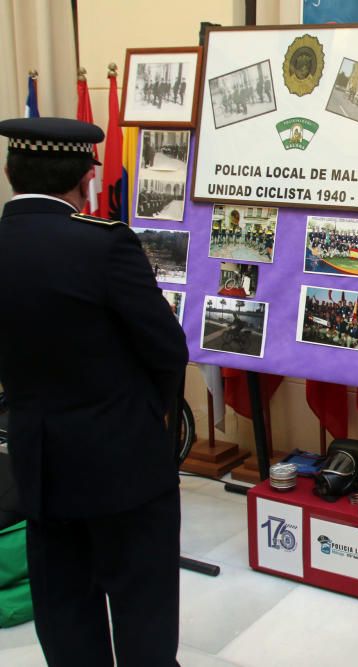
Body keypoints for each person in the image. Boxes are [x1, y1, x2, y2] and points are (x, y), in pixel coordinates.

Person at [0, 117, 188, 665]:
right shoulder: (104, 245)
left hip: (39, 461)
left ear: (11, 171)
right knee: (142, 612)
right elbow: (166, 347)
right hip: (123, 461)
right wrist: (150, 413)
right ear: (87, 177)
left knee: (64, 612)